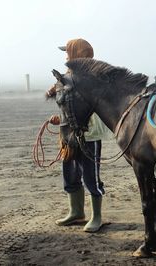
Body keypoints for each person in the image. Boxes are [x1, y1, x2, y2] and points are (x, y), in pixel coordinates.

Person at [47, 38, 111, 232]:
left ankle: (96, 217)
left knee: (91, 175)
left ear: (78, 54)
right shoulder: (67, 77)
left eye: (68, 52)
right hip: (69, 134)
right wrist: (60, 119)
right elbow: (69, 106)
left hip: (88, 133)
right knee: (70, 172)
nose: (66, 56)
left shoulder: (92, 78)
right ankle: (76, 212)